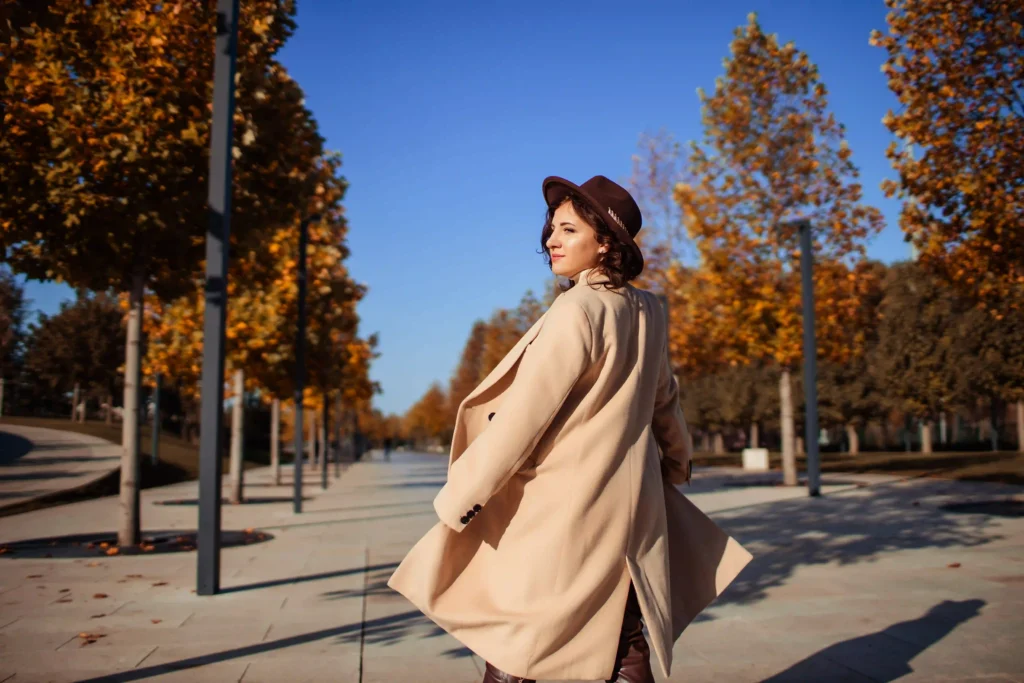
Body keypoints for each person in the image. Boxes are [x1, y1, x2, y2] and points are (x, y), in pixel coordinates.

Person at [388, 175, 752, 683]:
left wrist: (461, 498)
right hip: (628, 508)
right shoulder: (648, 310)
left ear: (605, 241)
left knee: (514, 637)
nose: (551, 242)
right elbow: (664, 400)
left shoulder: (576, 310)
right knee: (624, 641)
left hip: (562, 511)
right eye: (551, 230)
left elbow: (523, 420)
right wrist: (675, 462)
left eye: (567, 230)